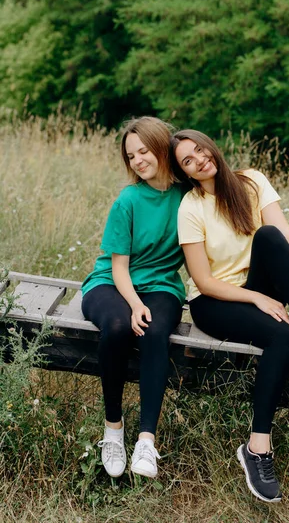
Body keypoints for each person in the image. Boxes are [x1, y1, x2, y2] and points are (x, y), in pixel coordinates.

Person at [171, 129, 289, 503]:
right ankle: (258, 449)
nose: (199, 160)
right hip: (216, 301)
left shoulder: (251, 181)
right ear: (186, 173)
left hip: (257, 289)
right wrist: (255, 298)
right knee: (281, 337)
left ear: (210, 147)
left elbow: (285, 234)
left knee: (271, 235)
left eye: (199, 150)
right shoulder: (190, 207)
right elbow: (204, 281)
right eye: (187, 161)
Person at [81, 116, 186, 480]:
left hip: (161, 286)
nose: (138, 160)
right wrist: (135, 304)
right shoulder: (127, 200)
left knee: (155, 331)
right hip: (111, 283)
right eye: (131, 155)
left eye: (144, 151)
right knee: (117, 324)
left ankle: (145, 441)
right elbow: (119, 267)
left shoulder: (187, 197)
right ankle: (113, 430)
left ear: (161, 148)